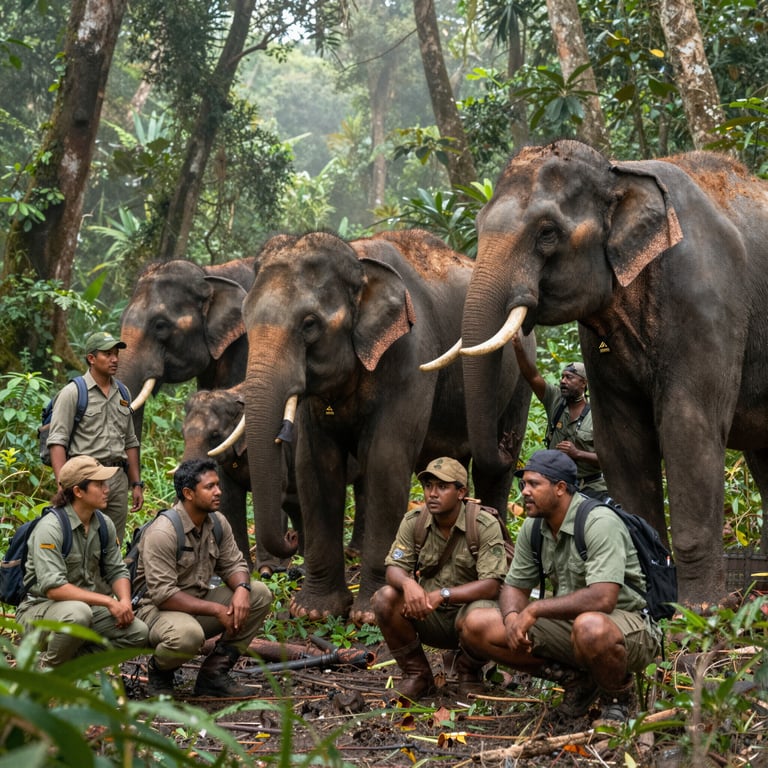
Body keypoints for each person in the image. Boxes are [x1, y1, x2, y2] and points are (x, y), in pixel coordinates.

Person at [459, 450, 661, 724]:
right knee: (477, 623)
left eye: (534, 484)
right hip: (572, 624)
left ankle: (617, 700)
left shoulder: (599, 522)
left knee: (589, 627)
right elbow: (514, 587)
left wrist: (536, 610)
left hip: (627, 626)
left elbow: (604, 598)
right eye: (524, 484)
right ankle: (578, 681)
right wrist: (511, 618)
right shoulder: (534, 528)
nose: (525, 492)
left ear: (560, 488)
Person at [133, 458, 273, 698]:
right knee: (188, 636)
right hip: (154, 611)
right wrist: (218, 610)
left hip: (196, 601)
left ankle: (214, 674)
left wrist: (241, 589)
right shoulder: (163, 532)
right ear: (188, 493)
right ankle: (160, 673)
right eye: (210, 487)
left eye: (218, 485)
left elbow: (235, 563)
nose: (218, 492)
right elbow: (163, 595)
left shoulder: (217, 522)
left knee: (259, 593)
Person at [372, 457, 509, 701]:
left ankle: (469, 671)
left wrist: (444, 595)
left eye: (442, 487)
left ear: (461, 492)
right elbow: (393, 567)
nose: (432, 494)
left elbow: (492, 585)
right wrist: (408, 584)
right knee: (385, 598)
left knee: (480, 619)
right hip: (428, 614)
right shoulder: (415, 521)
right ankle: (418, 675)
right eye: (428, 486)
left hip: (470, 616)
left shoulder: (483, 525)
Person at [15, 456, 149, 668]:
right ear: (78, 491)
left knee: (138, 633)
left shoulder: (104, 524)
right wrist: (108, 601)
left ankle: (73, 669)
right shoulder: (51, 528)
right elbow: (54, 588)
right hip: (39, 611)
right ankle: (47, 673)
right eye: (99, 484)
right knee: (78, 614)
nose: (107, 489)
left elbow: (117, 570)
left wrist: (123, 601)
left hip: (84, 610)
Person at [47, 331, 143, 543]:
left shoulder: (123, 394)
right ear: (91, 358)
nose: (115, 359)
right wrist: (63, 484)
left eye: (116, 353)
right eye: (108, 354)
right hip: (86, 480)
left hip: (118, 479)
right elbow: (57, 441)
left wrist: (137, 483)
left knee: (113, 543)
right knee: (81, 539)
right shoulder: (73, 393)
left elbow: (130, 441)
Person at [512, 333, 609, 500]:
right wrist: (519, 348)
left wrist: (577, 453)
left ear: (583, 383)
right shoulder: (555, 400)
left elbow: (608, 461)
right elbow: (532, 376)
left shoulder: (598, 414)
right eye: (562, 377)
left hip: (590, 487)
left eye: (569, 378)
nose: (563, 381)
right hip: (556, 485)